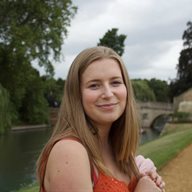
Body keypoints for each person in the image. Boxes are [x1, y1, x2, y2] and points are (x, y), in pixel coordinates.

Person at [36, 46, 165, 192]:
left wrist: (146, 179)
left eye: (115, 82)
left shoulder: (118, 149)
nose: (108, 93)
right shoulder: (69, 151)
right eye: (94, 85)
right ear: (76, 95)